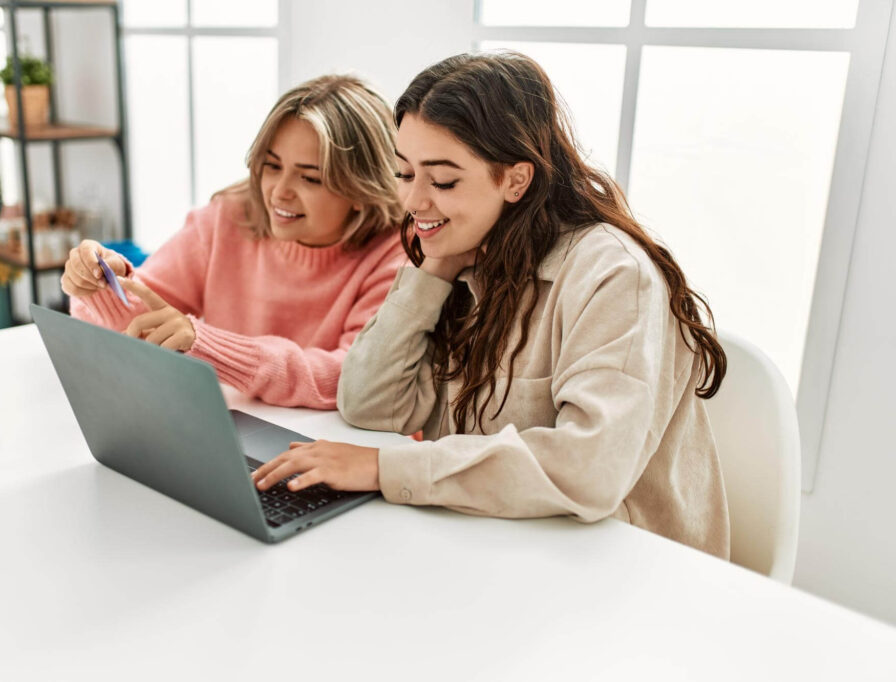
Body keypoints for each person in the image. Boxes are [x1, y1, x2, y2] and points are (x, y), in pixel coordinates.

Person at [251, 52, 730, 557]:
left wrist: (380, 468)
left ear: (515, 180)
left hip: (619, 565)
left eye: (443, 181)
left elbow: (591, 469)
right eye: (404, 173)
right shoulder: (465, 253)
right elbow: (373, 405)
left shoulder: (612, 276)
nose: (413, 202)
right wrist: (432, 269)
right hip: (492, 544)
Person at [61, 75, 406, 409]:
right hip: (234, 425)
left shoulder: (396, 254)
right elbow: (137, 333)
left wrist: (212, 347)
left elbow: (350, 377)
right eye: (271, 166)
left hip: (337, 450)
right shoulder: (229, 215)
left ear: (362, 189)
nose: (279, 192)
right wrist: (102, 284)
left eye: (310, 178)